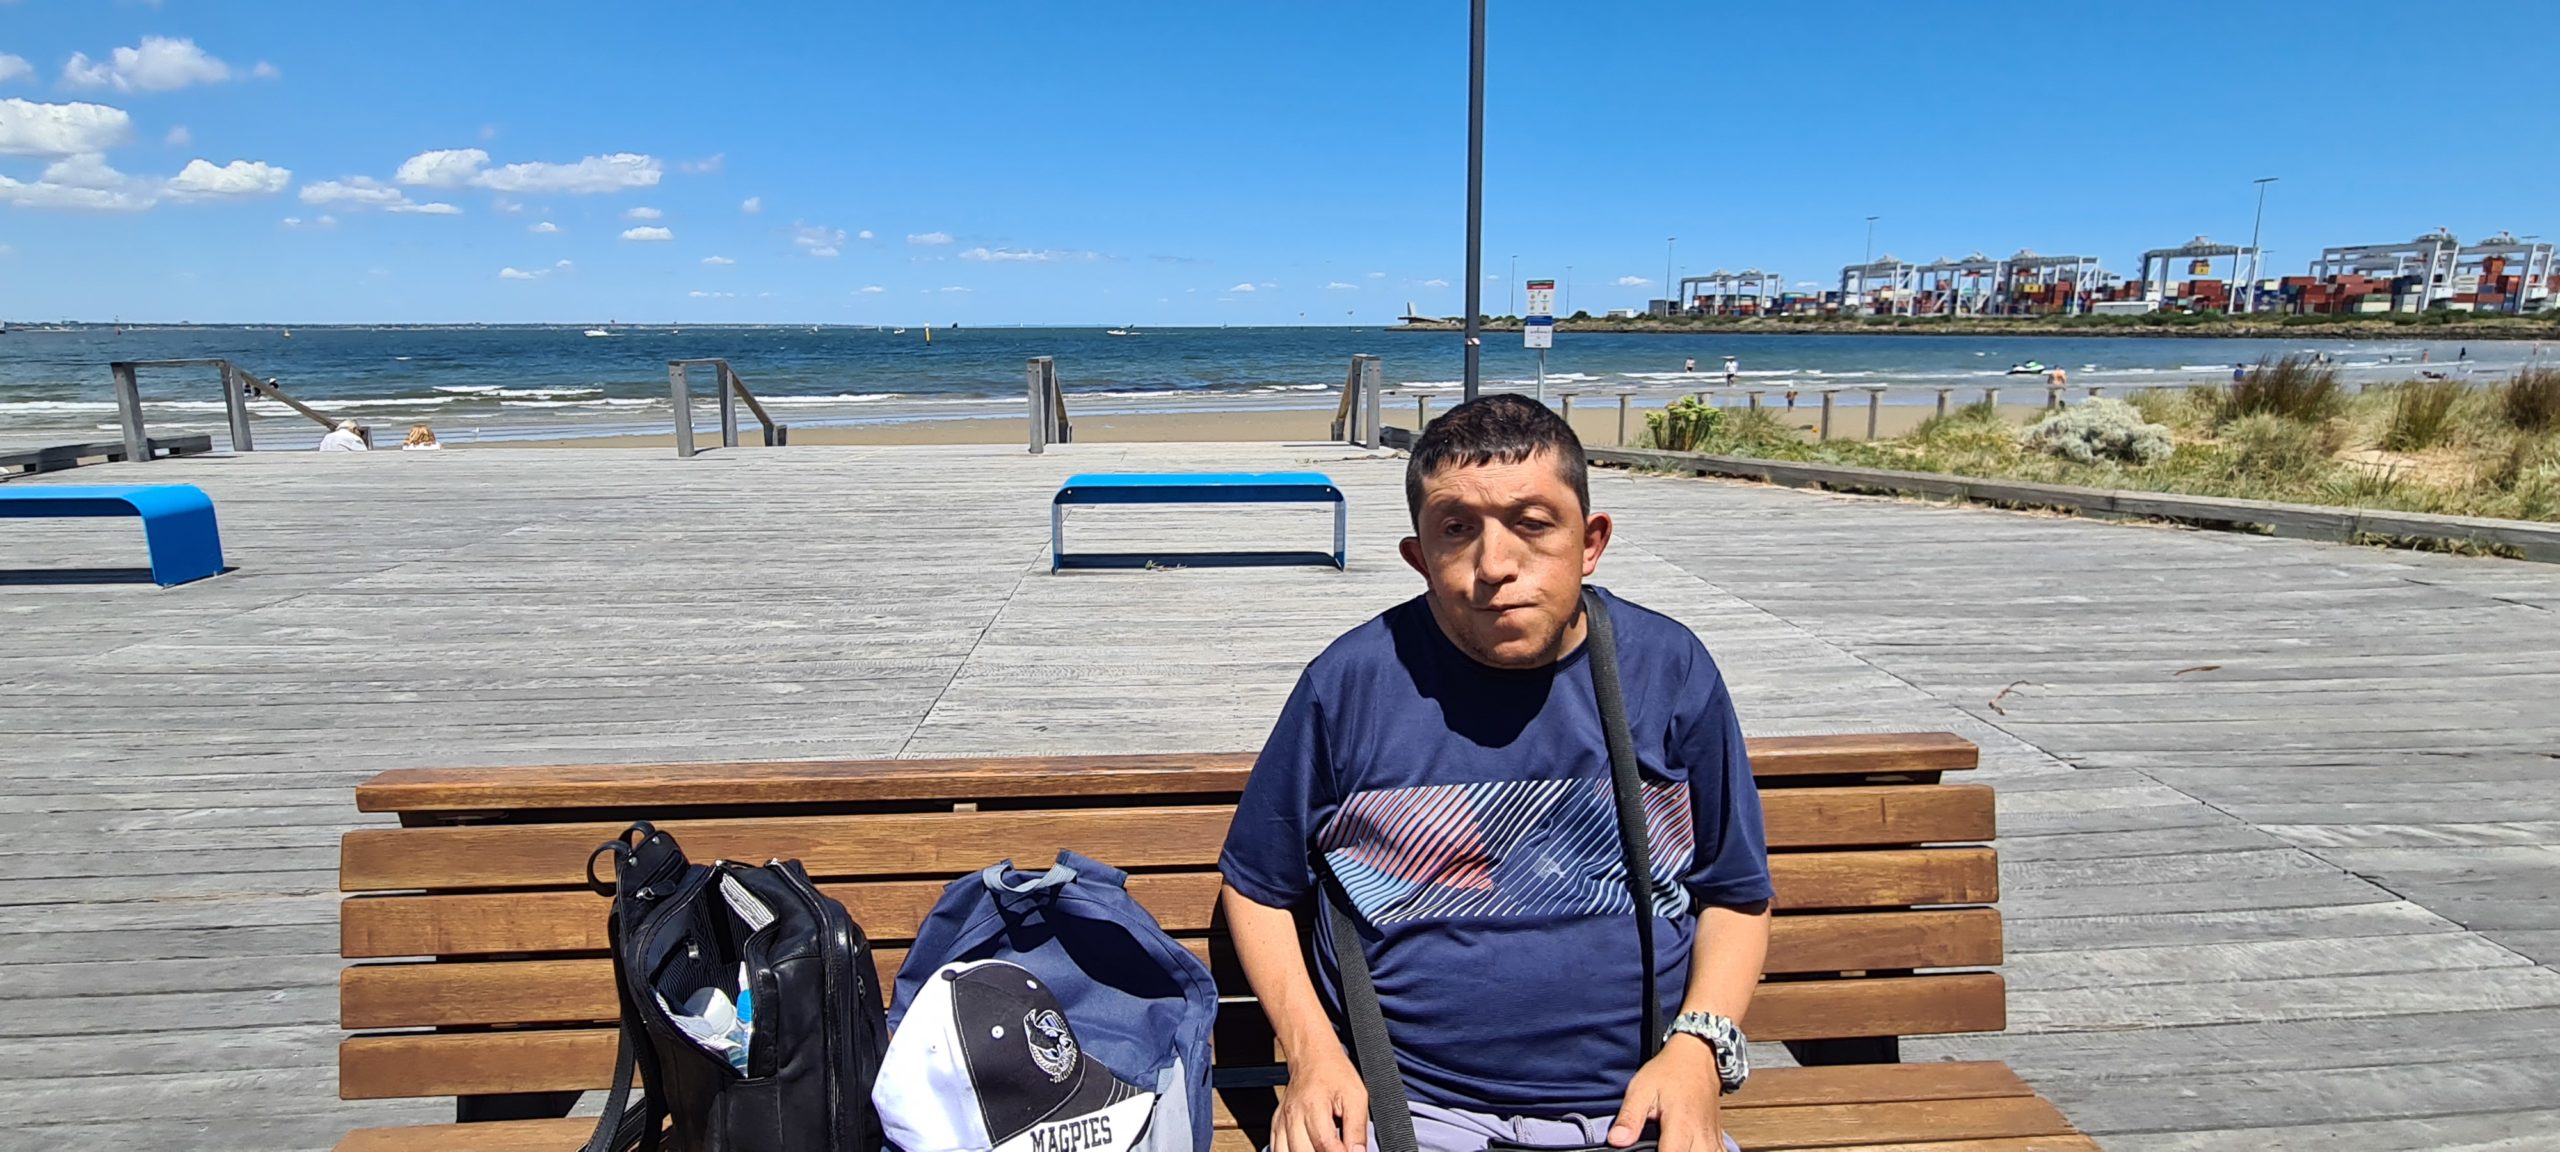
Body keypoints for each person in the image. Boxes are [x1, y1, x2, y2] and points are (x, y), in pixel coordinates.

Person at [1220, 395, 1772, 1152]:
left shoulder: (1668, 671)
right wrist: (1314, 1056)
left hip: (1637, 1104)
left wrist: (1699, 1054)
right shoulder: (1351, 684)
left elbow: (1735, 894)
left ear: (1591, 542)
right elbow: (1257, 886)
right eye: (1457, 530)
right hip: (1408, 1106)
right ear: (1420, 557)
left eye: (1534, 524)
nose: (1495, 565)